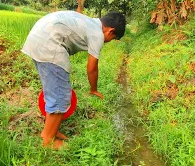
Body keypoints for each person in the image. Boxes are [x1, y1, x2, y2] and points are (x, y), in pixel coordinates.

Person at [21, 11, 126, 149]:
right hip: (50, 45)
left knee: (53, 92)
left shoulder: (90, 22)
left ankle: (52, 130)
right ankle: (47, 140)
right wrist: (93, 90)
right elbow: (92, 68)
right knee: (61, 95)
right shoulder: (97, 34)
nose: (108, 42)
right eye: (112, 38)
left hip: (37, 40)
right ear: (111, 31)